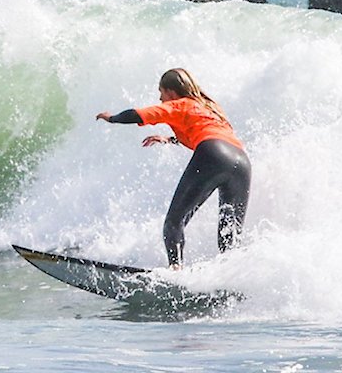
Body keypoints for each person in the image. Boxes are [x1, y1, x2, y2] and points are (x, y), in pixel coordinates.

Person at [95, 68, 251, 269]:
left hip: (213, 153)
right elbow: (204, 131)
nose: (160, 98)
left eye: (161, 93)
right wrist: (169, 139)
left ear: (171, 92)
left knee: (174, 222)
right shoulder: (210, 108)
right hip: (242, 163)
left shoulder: (180, 105)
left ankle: (175, 272)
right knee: (230, 236)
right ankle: (232, 278)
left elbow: (140, 114)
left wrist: (113, 118)